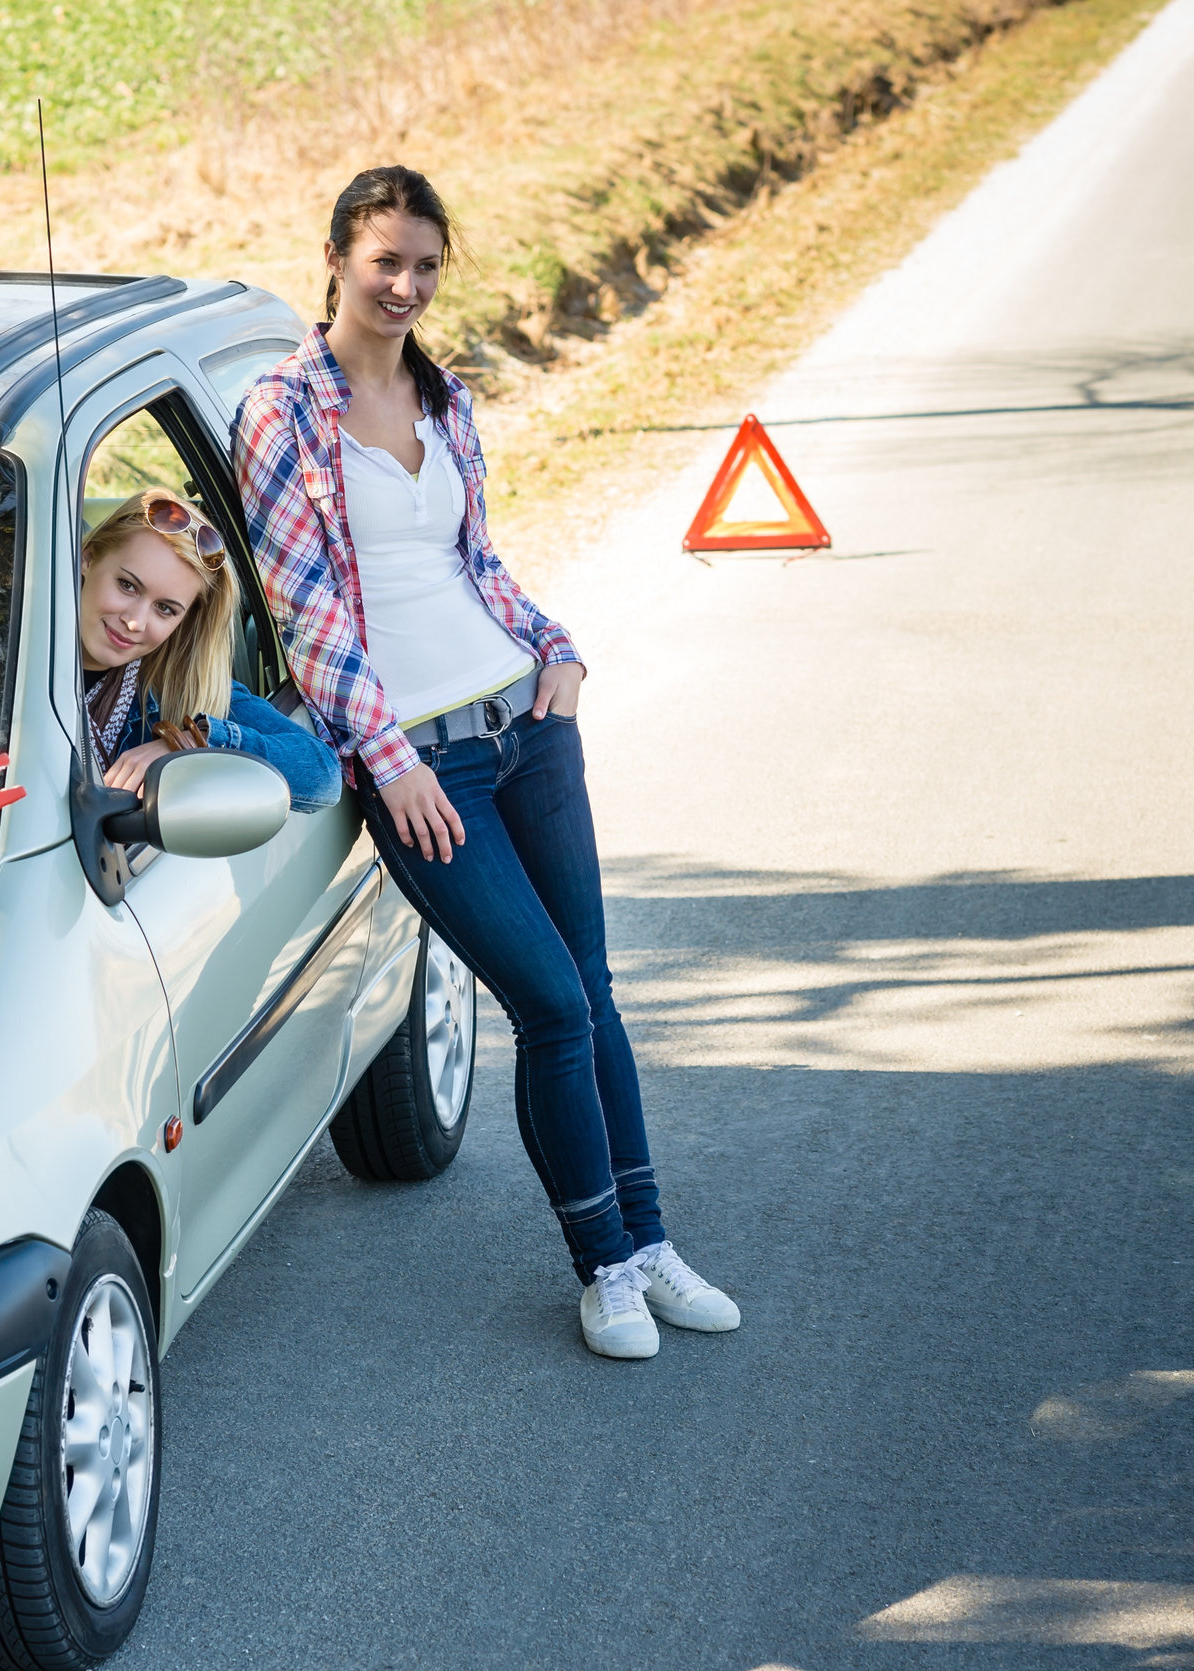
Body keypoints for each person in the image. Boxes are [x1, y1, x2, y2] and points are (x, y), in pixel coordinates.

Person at [234, 164, 738, 1361]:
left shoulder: (446, 399)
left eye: (423, 265)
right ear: (338, 262)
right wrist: (386, 756)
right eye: (383, 263)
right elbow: (309, 615)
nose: (404, 286)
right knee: (549, 1004)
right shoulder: (282, 412)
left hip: (525, 724)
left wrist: (555, 650)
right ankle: (601, 1267)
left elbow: (478, 565)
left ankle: (653, 1242)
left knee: (597, 992)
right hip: (426, 769)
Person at [78, 487, 339, 812]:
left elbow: (323, 776)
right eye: (127, 586)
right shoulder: (5, 648)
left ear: (184, 620)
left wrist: (188, 744)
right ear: (88, 557)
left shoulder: (175, 689)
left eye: (165, 609)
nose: (134, 622)